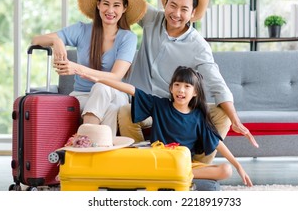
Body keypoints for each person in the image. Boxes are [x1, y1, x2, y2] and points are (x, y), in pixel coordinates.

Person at [49, 0, 258, 164]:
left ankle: (197, 166)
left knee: (223, 116)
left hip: (171, 108)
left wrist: (235, 118)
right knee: (126, 113)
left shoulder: (198, 45)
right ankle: (142, 163)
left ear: (193, 14)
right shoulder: (152, 19)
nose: (176, 14)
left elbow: (216, 82)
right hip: (140, 105)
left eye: (184, 9)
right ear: (165, 4)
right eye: (173, 5)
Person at [78, 65, 253, 186]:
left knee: (225, 170)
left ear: (195, 93)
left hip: (185, 165)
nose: (181, 90)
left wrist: (238, 166)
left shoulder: (199, 116)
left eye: (187, 86)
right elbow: (130, 89)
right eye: (177, 85)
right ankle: (165, 174)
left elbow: (217, 142)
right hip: (158, 159)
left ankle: (167, 175)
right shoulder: (159, 105)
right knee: (136, 162)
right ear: (170, 88)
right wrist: (99, 78)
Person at [31, 0, 147, 136]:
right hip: (82, 96)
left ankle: (83, 138)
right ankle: (100, 153)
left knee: (103, 86)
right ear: (98, 4)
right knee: (111, 109)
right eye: (106, 3)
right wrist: (56, 40)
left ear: (124, 8)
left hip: (115, 94)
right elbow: (36, 40)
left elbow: (115, 77)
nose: (110, 10)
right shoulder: (81, 30)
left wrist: (76, 68)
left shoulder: (128, 38)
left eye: (116, 5)